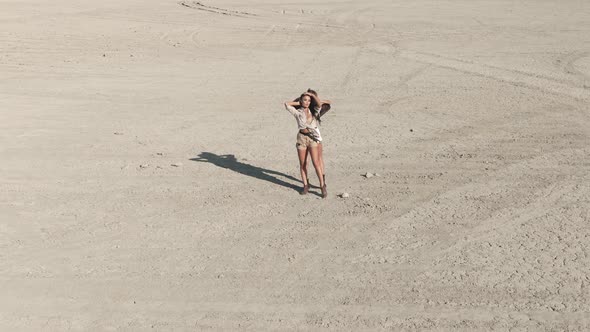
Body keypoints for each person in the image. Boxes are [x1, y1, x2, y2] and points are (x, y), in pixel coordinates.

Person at [284, 92, 328, 198]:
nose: (307, 102)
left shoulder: (314, 111)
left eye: (309, 100)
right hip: (301, 138)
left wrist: (311, 95)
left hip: (312, 138)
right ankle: (305, 185)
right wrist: (298, 102)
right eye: (305, 100)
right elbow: (286, 104)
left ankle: (322, 185)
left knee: (316, 162)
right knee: (303, 164)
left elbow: (319, 104)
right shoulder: (297, 112)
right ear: (301, 101)